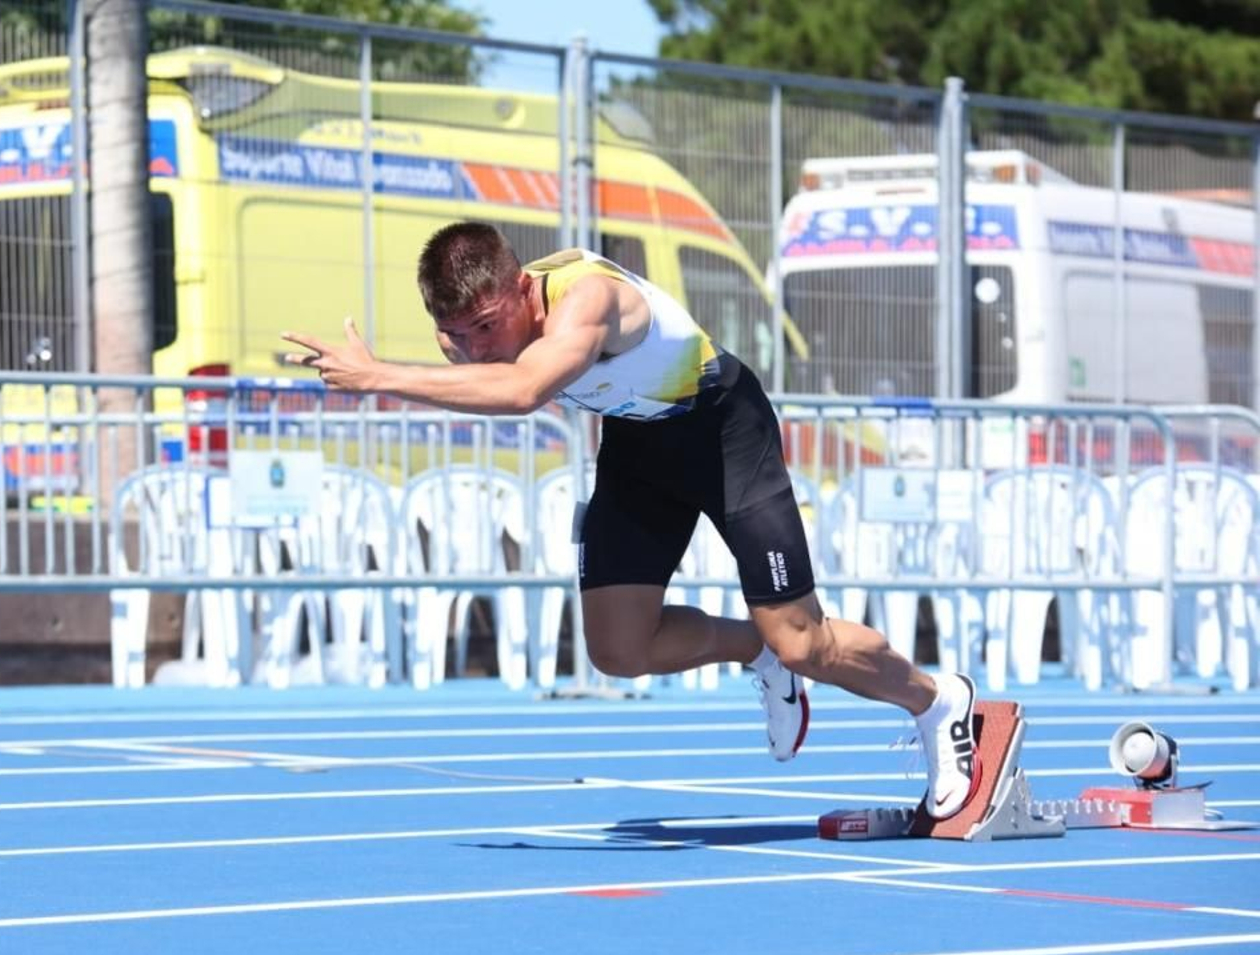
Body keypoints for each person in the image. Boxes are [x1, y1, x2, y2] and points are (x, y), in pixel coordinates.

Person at [282, 222, 979, 819]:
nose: (477, 348)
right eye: (457, 334)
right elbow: (488, 375)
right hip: (637, 448)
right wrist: (433, 359)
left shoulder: (590, 297)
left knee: (803, 642)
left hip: (724, 433)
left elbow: (523, 389)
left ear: (523, 287)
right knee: (618, 649)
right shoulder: (465, 332)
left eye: (488, 327)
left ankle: (936, 700)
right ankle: (753, 649)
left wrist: (378, 376)